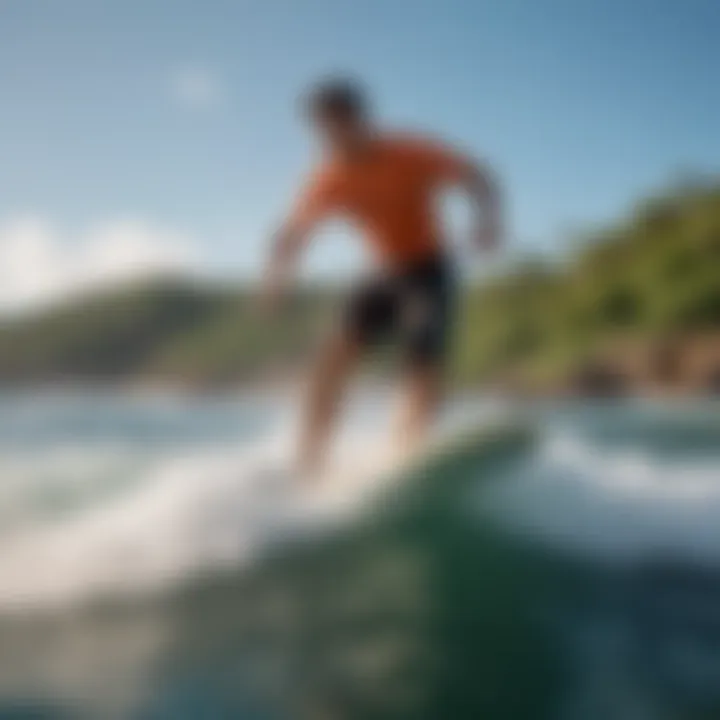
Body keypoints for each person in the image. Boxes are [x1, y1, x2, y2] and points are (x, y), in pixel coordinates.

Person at [261, 78, 503, 475]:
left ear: (360, 119)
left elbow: (477, 175)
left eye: (339, 123)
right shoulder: (328, 177)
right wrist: (275, 281)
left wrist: (489, 222)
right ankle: (309, 463)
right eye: (323, 128)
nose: (332, 135)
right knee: (332, 354)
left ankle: (406, 455)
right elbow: (292, 233)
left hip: (427, 269)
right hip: (381, 272)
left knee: (422, 355)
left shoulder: (409, 152)